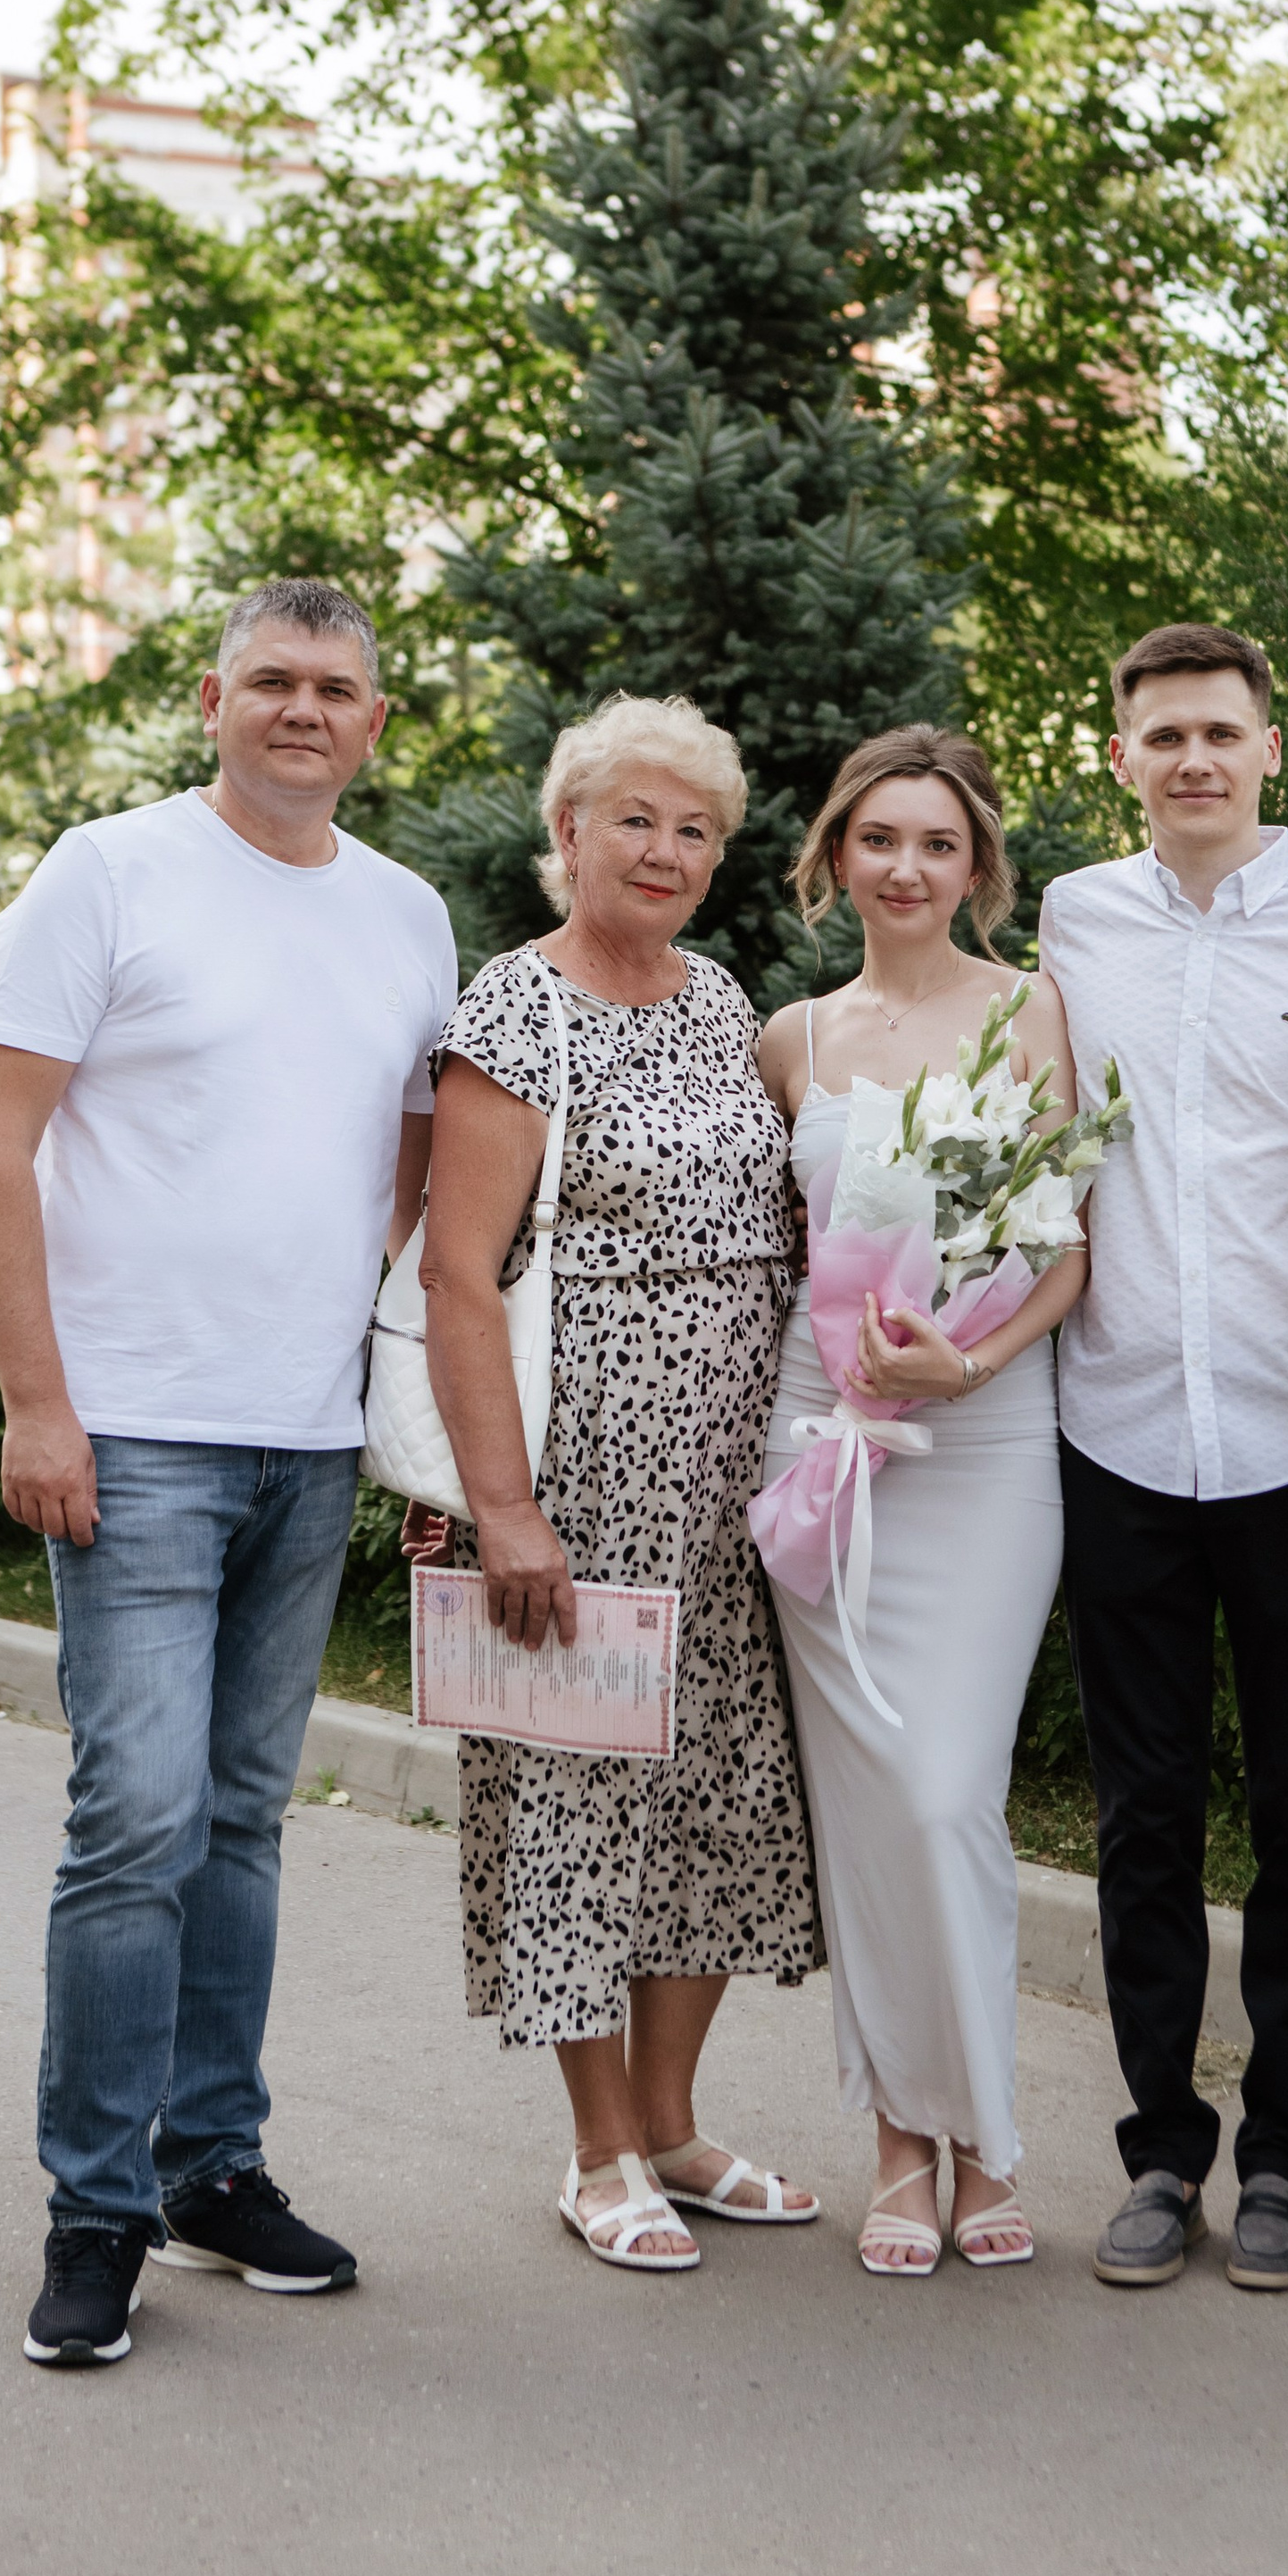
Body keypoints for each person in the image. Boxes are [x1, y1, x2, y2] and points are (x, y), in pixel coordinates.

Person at [0, 579, 461, 2371]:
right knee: (137, 1821)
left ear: (375, 722)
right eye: (270, 682)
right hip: (135, 1433)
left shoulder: (408, 914)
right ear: (212, 699)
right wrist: (38, 1400)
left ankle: (210, 2169)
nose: (302, 710)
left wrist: (370, 1387)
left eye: (334, 688)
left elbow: (407, 1165)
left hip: (305, 1439)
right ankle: (93, 2210)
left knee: (243, 1823)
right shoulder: (110, 871)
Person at [419, 691, 820, 2273]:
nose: (663, 849)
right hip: (584, 1474)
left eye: (695, 828)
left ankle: (672, 2125)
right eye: (634, 818)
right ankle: (594, 2154)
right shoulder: (516, 1013)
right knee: (583, 1792)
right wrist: (503, 1506)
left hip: (738, 1489)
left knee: (718, 1796)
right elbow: (460, 1278)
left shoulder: (720, 1000)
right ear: (568, 829)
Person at [1038, 625, 1288, 2292]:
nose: (1192, 758)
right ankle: (1159, 2150)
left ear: (1273, 749)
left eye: (1219, 732)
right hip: (1115, 1431)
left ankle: (1284, 2162)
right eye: (1162, 734)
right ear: (1123, 758)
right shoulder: (1073, 920)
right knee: (1145, 1817)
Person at [756, 729, 1082, 2275]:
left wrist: (972, 1355)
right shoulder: (793, 1040)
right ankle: (901, 2139)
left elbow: (1066, 1250)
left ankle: (985, 2135)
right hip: (826, 1451)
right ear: (835, 857)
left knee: (952, 1789)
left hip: (984, 1444)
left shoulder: (1029, 1014)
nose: (906, 867)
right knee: (870, 1805)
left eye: (937, 844)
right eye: (877, 839)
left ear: (977, 867)